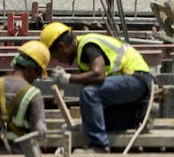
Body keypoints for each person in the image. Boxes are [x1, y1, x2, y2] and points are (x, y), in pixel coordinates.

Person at [41, 22, 152, 154]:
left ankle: (99, 146)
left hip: (136, 79)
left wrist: (68, 78)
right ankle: (142, 114)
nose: (58, 60)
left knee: (89, 93)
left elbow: (98, 75)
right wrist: (85, 126)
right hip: (131, 88)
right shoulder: (82, 55)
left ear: (62, 46)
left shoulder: (88, 46)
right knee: (105, 122)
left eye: (55, 55)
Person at [0, 41, 49, 157]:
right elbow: (39, 133)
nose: (37, 78)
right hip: (18, 154)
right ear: (30, 69)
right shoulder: (33, 94)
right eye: (38, 73)